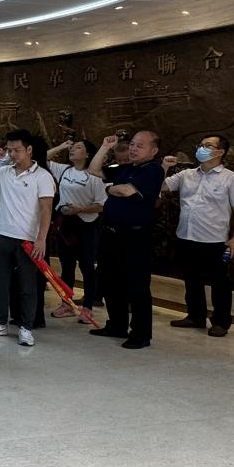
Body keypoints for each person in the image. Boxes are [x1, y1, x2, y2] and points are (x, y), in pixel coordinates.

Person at [0, 129, 55, 347]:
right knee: (0, 281)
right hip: (3, 235)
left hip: (28, 239)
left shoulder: (43, 176)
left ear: (29, 150)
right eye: (9, 150)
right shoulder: (5, 171)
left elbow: (46, 210)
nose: (12, 154)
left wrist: (41, 239)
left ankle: (26, 327)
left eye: (17, 150)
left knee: (27, 285)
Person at [162, 136, 234, 337]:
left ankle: (221, 321)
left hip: (214, 239)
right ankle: (195, 316)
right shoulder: (186, 175)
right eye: (200, 145)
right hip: (186, 235)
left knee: (219, 283)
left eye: (208, 146)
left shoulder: (232, 179)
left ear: (220, 152)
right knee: (191, 280)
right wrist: (164, 167)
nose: (202, 148)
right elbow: (161, 187)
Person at [88, 130, 165, 349]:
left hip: (135, 236)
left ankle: (141, 333)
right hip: (111, 233)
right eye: (132, 144)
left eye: (140, 146)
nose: (133, 149)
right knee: (110, 281)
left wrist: (108, 188)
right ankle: (117, 325)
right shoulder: (125, 168)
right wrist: (105, 147)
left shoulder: (153, 170)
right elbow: (94, 170)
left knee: (136, 286)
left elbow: (126, 191)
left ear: (154, 150)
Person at [45, 139, 106, 318]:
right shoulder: (64, 170)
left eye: (78, 147)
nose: (73, 150)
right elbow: (42, 158)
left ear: (88, 154)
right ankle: (67, 304)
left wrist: (79, 209)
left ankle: (88, 307)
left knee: (87, 266)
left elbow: (101, 205)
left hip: (86, 225)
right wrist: (62, 146)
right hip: (65, 224)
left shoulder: (94, 176)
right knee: (67, 266)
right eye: (72, 147)